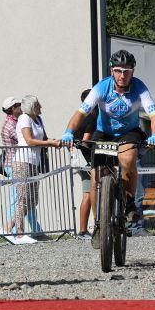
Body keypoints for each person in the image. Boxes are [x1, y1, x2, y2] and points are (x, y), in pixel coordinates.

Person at [60, 49, 155, 239]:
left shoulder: (140, 88)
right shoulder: (101, 87)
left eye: (127, 71)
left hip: (128, 132)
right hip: (104, 133)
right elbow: (81, 113)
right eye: (118, 71)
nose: (123, 75)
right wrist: (69, 132)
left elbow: (154, 115)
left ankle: (129, 203)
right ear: (112, 71)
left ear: (132, 71)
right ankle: (99, 224)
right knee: (95, 177)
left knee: (128, 158)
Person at [8, 95, 62, 244]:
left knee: (32, 199)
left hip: (34, 162)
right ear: (31, 107)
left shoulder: (38, 119)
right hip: (22, 161)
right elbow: (29, 140)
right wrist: (50, 144)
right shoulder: (24, 118)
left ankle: (7, 227)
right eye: (38, 104)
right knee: (23, 198)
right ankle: (19, 234)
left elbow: (43, 139)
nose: (41, 106)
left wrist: (55, 142)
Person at [0, 96, 43, 236]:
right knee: (18, 199)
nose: (21, 106)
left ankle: (34, 229)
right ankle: (13, 232)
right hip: (15, 163)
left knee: (29, 199)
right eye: (18, 105)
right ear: (12, 108)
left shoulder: (21, 120)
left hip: (28, 161)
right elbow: (25, 139)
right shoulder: (11, 124)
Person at [73, 89, 98, 241]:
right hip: (87, 160)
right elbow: (86, 141)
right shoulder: (91, 118)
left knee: (88, 194)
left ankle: (84, 230)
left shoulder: (78, 117)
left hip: (80, 159)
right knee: (88, 194)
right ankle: (83, 230)